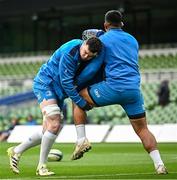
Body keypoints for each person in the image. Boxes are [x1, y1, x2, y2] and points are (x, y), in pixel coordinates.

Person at [71, 10, 168, 175]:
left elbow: (94, 67)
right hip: (134, 91)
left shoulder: (103, 40)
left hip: (112, 88)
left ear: (105, 25)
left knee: (78, 97)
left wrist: (76, 82)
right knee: (143, 130)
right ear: (122, 24)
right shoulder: (133, 40)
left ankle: (81, 140)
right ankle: (159, 165)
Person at [7, 37, 104, 176]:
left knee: (49, 130)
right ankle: (42, 166)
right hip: (46, 83)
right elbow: (66, 83)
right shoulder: (70, 52)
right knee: (54, 123)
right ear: (83, 44)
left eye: (90, 55)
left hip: (58, 91)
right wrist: (81, 102)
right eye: (85, 52)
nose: (86, 56)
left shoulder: (88, 53)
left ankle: (16, 151)